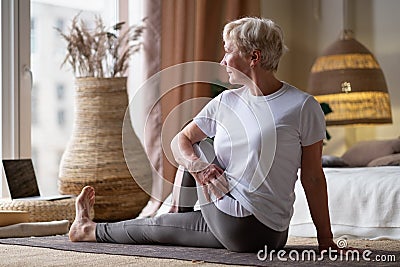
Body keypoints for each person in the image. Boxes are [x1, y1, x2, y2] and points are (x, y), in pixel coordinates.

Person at [69, 17, 339, 253]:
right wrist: (198, 168)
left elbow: (313, 177)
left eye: (228, 51)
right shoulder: (227, 102)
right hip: (252, 230)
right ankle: (95, 228)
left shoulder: (301, 106)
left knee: (196, 152)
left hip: (253, 226)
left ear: (253, 58)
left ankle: (168, 214)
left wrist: (325, 239)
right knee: (163, 217)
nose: (222, 61)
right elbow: (179, 141)